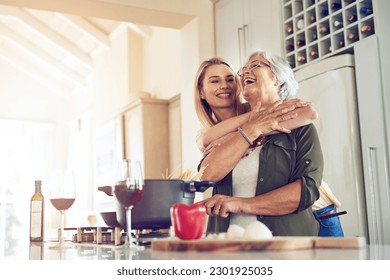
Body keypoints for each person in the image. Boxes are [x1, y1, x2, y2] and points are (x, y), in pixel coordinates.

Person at [196, 51, 324, 236]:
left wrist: (239, 204)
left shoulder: (300, 128)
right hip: (229, 245)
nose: (246, 72)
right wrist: (254, 125)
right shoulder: (230, 129)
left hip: (284, 247)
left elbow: (305, 192)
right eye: (243, 70)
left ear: (277, 80)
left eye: (255, 65)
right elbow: (207, 173)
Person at [194, 57, 317, 156]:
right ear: (201, 92)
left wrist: (234, 137)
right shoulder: (207, 133)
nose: (224, 86)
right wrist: (256, 119)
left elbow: (309, 112)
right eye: (215, 81)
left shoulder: (255, 107)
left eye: (230, 80)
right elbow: (205, 139)